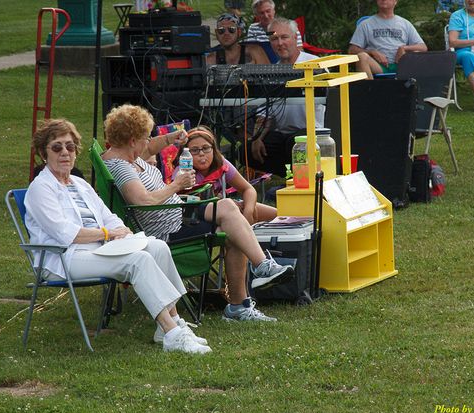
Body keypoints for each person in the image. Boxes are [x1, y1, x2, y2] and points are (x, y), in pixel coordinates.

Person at [25, 118, 211, 354]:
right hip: (63, 258)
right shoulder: (41, 188)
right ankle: (172, 332)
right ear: (44, 153)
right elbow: (65, 234)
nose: (65, 153)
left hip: (97, 248)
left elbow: (107, 215)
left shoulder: (80, 184)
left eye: (70, 147)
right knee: (138, 260)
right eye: (57, 147)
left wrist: (123, 232)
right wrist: (107, 233)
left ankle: (169, 326)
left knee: (157, 248)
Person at [101, 104, 294, 322]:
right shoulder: (122, 167)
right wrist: (176, 185)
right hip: (167, 229)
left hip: (179, 213)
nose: (148, 142)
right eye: (145, 137)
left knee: (231, 214)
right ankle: (253, 284)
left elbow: (151, 149)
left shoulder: (127, 156)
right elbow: (142, 201)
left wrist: (170, 138)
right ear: (132, 140)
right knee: (232, 220)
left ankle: (255, 280)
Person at [248, 17, 325, 177]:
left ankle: (298, 180)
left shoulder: (315, 64)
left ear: (295, 38)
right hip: (283, 134)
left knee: (296, 143)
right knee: (247, 149)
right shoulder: (272, 72)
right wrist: (256, 138)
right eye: (274, 39)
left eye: (284, 37)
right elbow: (264, 114)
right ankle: (286, 177)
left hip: (313, 132)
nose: (280, 43)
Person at [173, 126, 277, 224]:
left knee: (280, 215)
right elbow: (184, 208)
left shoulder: (220, 163)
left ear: (213, 149)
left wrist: (248, 211)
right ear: (185, 154)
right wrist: (225, 204)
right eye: (194, 150)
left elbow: (248, 189)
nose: (201, 153)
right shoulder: (183, 172)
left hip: (226, 207)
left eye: (206, 148)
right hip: (199, 218)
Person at [348, 0, 428, 78]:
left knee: (417, 53)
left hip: (402, 66)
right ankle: (370, 89)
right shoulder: (365, 24)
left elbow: (423, 47)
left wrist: (404, 48)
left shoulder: (405, 24)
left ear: (395, 1)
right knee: (362, 57)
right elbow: (352, 50)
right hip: (378, 66)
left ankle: (418, 88)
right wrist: (372, 52)